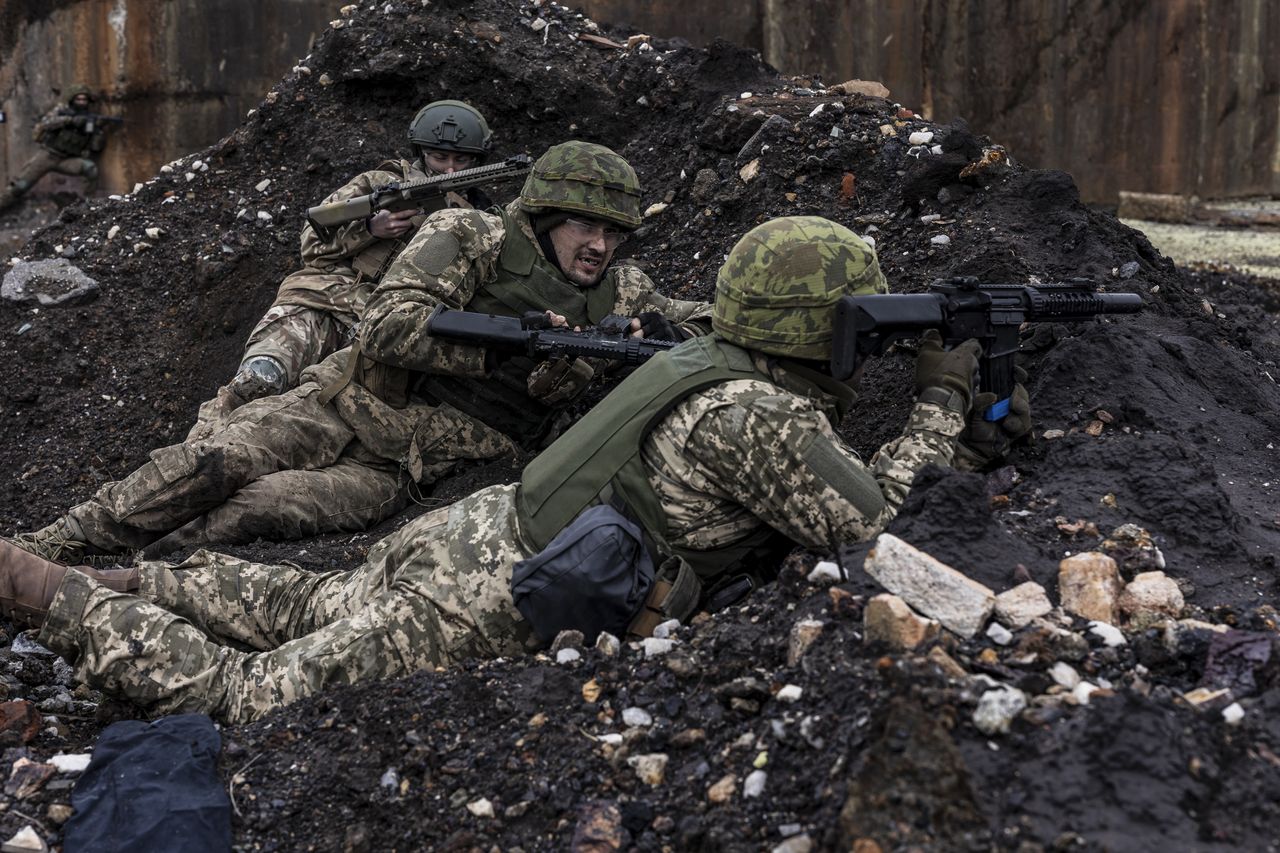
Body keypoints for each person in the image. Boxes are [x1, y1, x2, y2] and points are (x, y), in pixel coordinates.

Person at [0, 216, 1031, 724]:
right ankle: (51, 591)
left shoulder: (705, 355)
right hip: (489, 596)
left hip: (470, 536)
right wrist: (941, 399)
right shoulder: (753, 414)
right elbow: (878, 530)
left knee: (312, 603)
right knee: (254, 692)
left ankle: (144, 580)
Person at [8, 141, 712, 557]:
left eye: (613, 233)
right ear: (548, 216)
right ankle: (50, 547)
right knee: (216, 459)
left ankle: (97, 584)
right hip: (347, 401)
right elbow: (388, 323)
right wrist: (509, 347)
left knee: (255, 510)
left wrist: (675, 333)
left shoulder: (621, 293)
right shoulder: (472, 238)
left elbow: (703, 318)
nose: (600, 245)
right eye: (587, 226)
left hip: (408, 466)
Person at [189, 100, 499, 436]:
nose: (450, 170)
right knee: (255, 381)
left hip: (376, 327)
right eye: (440, 158)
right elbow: (312, 244)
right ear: (421, 152)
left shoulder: (482, 220)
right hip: (319, 301)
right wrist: (369, 230)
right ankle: (193, 455)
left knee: (304, 416)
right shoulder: (380, 184)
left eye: (461, 160)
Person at [0, 84, 118, 213]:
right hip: (47, 155)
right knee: (19, 186)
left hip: (67, 161)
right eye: (78, 99)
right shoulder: (61, 111)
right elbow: (45, 123)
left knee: (90, 169)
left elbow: (95, 147)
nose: (82, 102)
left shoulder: (89, 119)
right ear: (72, 100)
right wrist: (70, 121)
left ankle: (87, 207)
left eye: (84, 100)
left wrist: (97, 130)